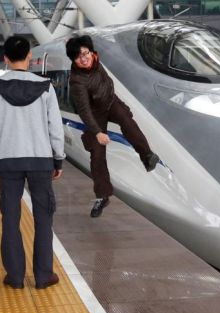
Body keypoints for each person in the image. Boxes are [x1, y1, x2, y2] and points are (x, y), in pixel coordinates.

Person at [0, 36, 65, 290]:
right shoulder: (46, 87)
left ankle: (15, 277)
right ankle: (43, 276)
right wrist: (58, 158)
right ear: (30, 57)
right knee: (44, 219)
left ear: (6, 58)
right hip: (41, 160)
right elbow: (55, 128)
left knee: (10, 219)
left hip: (8, 161)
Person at [66, 36, 160, 217]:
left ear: (91, 52)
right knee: (97, 154)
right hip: (94, 114)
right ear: (74, 60)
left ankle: (147, 156)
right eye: (78, 57)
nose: (84, 58)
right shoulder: (77, 81)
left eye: (85, 53)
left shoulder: (96, 61)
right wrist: (97, 132)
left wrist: (120, 106)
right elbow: (84, 111)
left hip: (111, 102)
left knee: (128, 122)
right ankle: (102, 196)